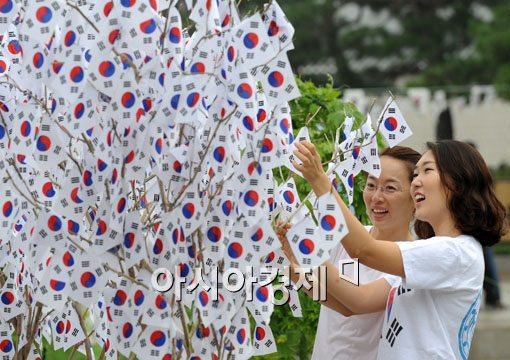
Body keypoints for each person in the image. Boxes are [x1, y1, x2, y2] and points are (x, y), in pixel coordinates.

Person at [281, 139, 506, 359]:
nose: (377, 196)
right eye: (371, 185)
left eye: (427, 171)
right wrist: (297, 270)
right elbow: (350, 301)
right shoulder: (422, 257)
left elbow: (361, 253)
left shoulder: (449, 253)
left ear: (457, 182)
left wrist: (319, 181)